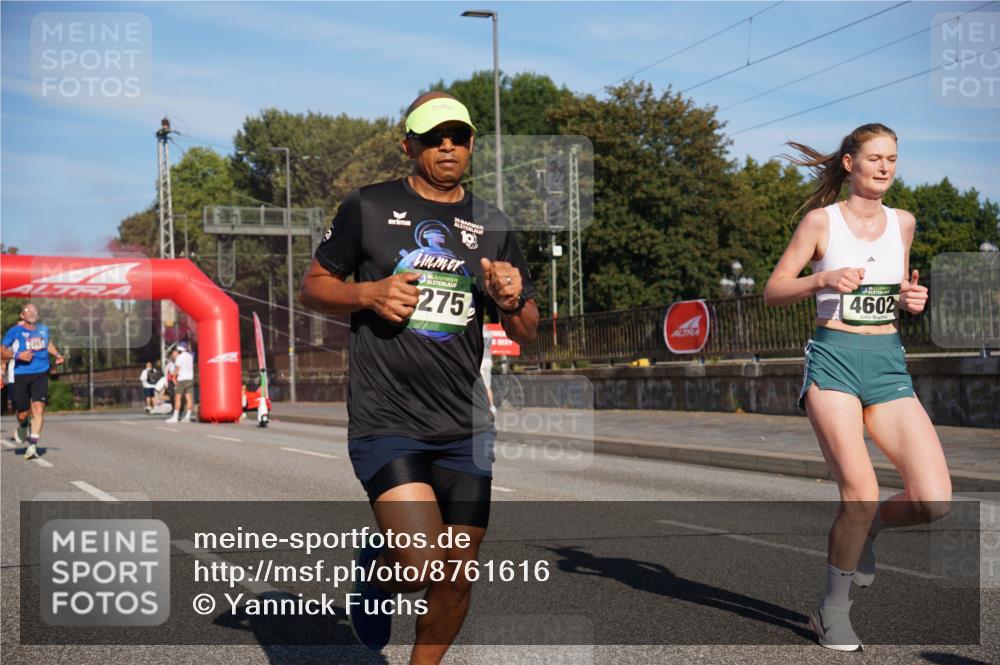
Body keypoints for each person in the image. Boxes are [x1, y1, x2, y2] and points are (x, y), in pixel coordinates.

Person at [300, 91, 538, 662]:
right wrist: (368, 293)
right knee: (418, 561)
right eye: (433, 137)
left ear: (473, 143)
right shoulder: (369, 207)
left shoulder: (494, 223)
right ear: (409, 145)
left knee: (455, 577)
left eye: (457, 136)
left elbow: (528, 328)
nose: (447, 146)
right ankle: (375, 583)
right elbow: (313, 286)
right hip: (388, 417)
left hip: (465, 424)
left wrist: (511, 298)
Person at [763, 123, 951, 652]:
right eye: (874, 158)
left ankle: (868, 529)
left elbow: (892, 296)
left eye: (893, 158)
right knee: (861, 492)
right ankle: (833, 611)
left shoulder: (904, 223)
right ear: (850, 163)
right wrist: (820, 279)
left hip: (888, 365)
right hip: (834, 365)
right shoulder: (820, 222)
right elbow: (774, 291)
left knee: (934, 501)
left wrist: (911, 303)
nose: (885, 167)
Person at [0, 304, 64, 459]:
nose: (32, 312)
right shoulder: (15, 331)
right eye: (29, 310)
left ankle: (33, 443)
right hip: (20, 373)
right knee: (23, 413)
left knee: (39, 407)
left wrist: (57, 354)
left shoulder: (43, 329)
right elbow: (2, 350)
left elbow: (47, 343)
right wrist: (17, 356)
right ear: (22, 315)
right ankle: (23, 425)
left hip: (40, 372)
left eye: (35, 310)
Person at [166, 343, 195, 423]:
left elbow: (177, 369)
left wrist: (173, 374)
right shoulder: (190, 356)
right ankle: (187, 416)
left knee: (177, 397)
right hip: (190, 378)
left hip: (181, 379)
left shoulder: (179, 357)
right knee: (189, 398)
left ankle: (175, 416)